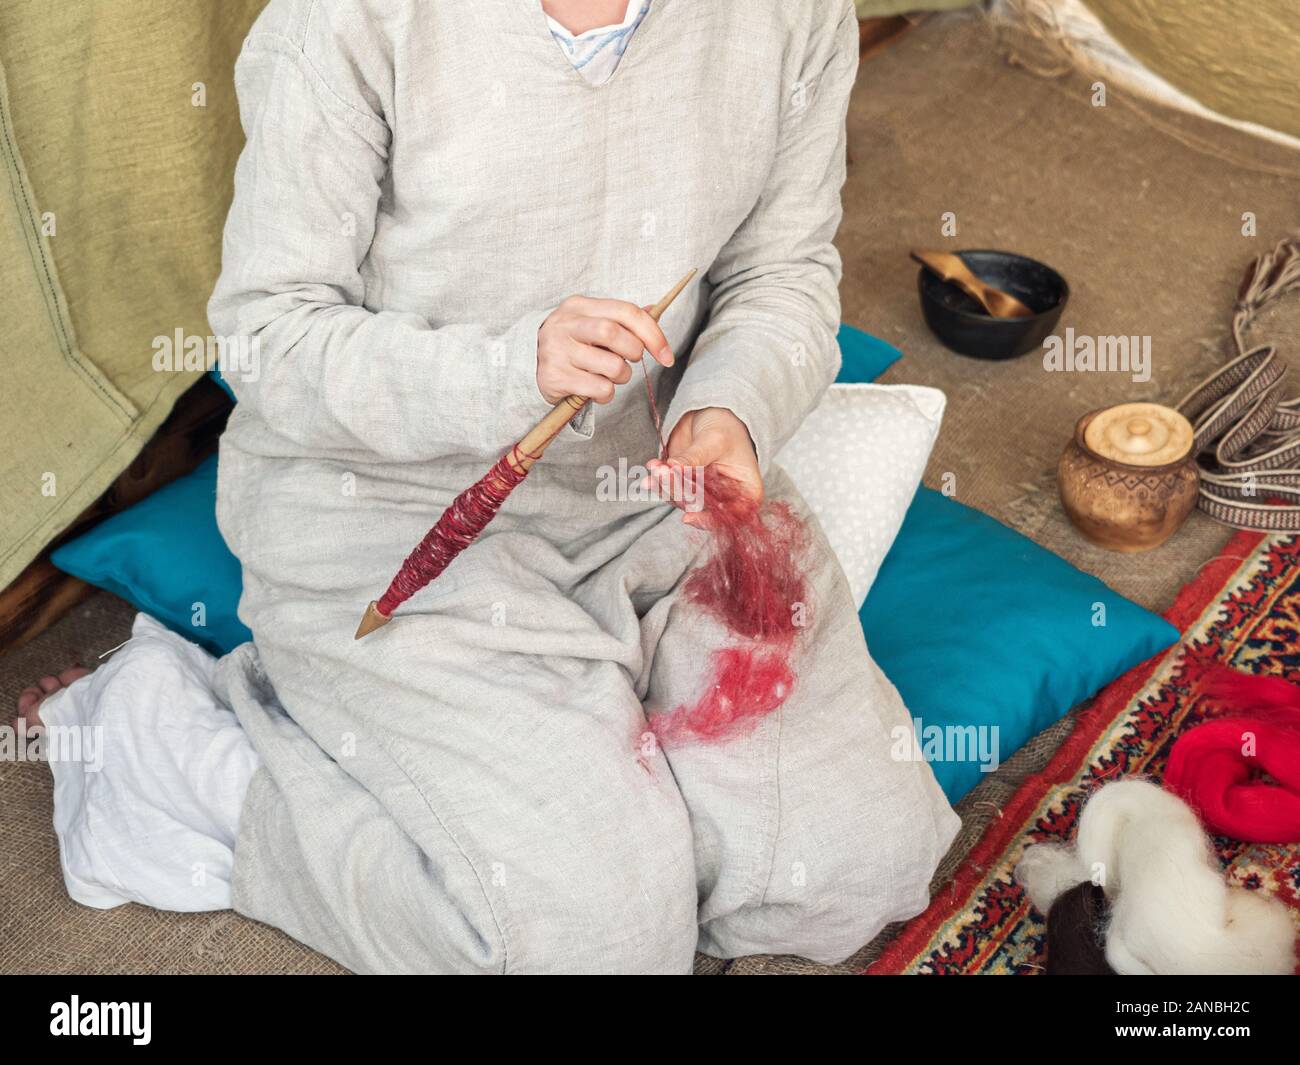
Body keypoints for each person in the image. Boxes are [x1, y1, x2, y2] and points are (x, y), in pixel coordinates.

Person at [18, 0, 958, 974]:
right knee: (601, 949)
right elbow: (270, 334)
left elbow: (782, 272)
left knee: (846, 877)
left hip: (661, 496)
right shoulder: (348, 22)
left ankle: (592, 774)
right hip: (395, 513)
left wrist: (728, 410)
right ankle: (176, 755)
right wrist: (512, 371)